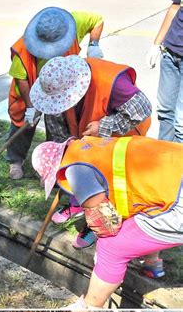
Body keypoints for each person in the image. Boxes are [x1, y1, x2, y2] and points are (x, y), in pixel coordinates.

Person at [31, 136, 183, 308]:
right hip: (174, 173)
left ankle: (89, 308)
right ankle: (152, 265)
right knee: (139, 218)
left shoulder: (75, 171)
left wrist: (101, 250)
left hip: (179, 203)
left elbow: (106, 223)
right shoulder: (90, 146)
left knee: (111, 246)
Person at [30, 55, 152, 248]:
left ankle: (99, 225)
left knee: (106, 182)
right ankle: (78, 202)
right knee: (82, 170)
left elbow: (142, 110)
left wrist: (104, 126)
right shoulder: (60, 77)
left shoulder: (112, 81)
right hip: (90, 135)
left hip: (123, 135)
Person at [6, 7, 104, 180]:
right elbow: (22, 79)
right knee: (22, 123)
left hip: (60, 88)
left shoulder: (74, 22)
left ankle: (52, 165)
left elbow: (97, 21)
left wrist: (94, 44)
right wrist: (31, 107)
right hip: (30, 88)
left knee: (58, 125)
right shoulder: (23, 49)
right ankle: (15, 160)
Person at [147, 0, 183, 143]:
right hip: (170, 52)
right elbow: (175, 6)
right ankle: (163, 157)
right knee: (164, 111)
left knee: (181, 122)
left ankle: (177, 163)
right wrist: (156, 44)